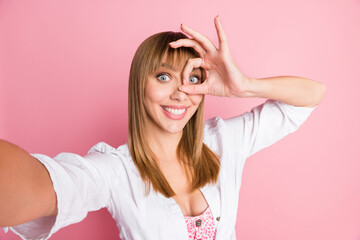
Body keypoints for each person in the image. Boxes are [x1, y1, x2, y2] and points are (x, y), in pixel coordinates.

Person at [0, 16, 325, 240]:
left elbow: (311, 96)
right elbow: (55, 185)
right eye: (164, 76)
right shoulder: (116, 170)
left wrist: (242, 86)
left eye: (193, 78)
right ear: (139, 85)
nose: (181, 91)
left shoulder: (223, 142)